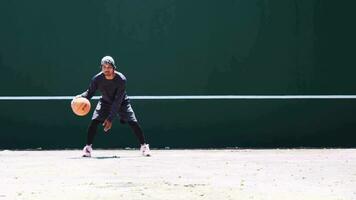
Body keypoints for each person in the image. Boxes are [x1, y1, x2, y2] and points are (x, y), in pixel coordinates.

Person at [74, 56, 151, 157]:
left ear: (114, 67)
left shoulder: (121, 79)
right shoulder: (97, 79)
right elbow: (89, 93)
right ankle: (88, 148)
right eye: (104, 67)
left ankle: (144, 147)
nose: (106, 69)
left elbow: (117, 101)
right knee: (94, 122)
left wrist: (110, 119)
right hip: (105, 102)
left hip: (122, 102)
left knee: (133, 122)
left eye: (109, 67)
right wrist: (79, 97)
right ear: (101, 68)